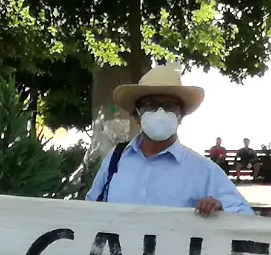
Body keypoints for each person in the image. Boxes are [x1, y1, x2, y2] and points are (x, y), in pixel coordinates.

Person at [86, 65, 253, 216]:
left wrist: (221, 211)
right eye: (150, 105)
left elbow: (245, 216)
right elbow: (88, 210)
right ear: (137, 115)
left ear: (181, 116)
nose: (160, 112)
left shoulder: (203, 170)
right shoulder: (115, 159)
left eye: (169, 106)